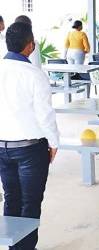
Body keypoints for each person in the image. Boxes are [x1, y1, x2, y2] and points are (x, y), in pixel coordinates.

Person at [0, 22, 59, 250]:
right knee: (30, 203)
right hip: (30, 149)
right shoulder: (35, 75)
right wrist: (54, 143)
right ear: (30, 46)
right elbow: (45, 116)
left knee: (11, 198)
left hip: (2, 147)